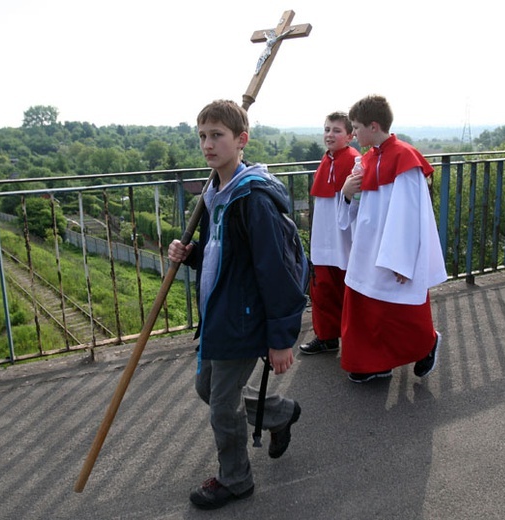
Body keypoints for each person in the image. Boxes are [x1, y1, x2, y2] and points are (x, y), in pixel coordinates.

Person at [168, 100, 305, 510]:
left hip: (243, 319)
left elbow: (275, 271)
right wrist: (190, 254)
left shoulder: (252, 200)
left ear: (241, 140)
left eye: (217, 136)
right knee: (206, 387)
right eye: (202, 136)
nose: (207, 145)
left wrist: (280, 340)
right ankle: (279, 413)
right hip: (221, 313)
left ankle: (236, 480)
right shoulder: (217, 192)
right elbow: (223, 254)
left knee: (223, 407)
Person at [338, 95, 447, 383]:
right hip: (367, 245)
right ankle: (373, 362)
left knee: (399, 309)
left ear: (374, 126)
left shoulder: (404, 157)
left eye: (357, 127)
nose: (354, 134)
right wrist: (347, 193)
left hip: (392, 248)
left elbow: (408, 216)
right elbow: (361, 207)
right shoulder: (368, 157)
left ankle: (427, 344)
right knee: (365, 304)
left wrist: (402, 260)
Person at [299, 112, 360, 355]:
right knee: (322, 288)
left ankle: (353, 339)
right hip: (324, 237)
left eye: (336, 130)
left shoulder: (354, 161)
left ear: (349, 135)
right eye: (327, 130)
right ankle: (326, 337)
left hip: (345, 239)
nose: (329, 135)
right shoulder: (327, 159)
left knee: (348, 291)